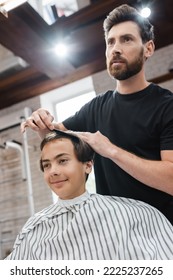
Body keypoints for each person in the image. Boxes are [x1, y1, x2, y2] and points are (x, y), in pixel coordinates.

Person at [21, 4, 173, 224]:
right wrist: (42, 121)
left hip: (160, 237)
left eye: (126, 39)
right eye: (110, 42)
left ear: (148, 48)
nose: (116, 48)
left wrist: (110, 150)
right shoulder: (95, 108)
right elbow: (54, 137)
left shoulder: (167, 106)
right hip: (111, 235)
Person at [5, 130, 173, 260]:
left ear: (87, 165)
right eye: (46, 165)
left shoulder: (136, 214)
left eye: (62, 160)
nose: (53, 171)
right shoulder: (35, 227)